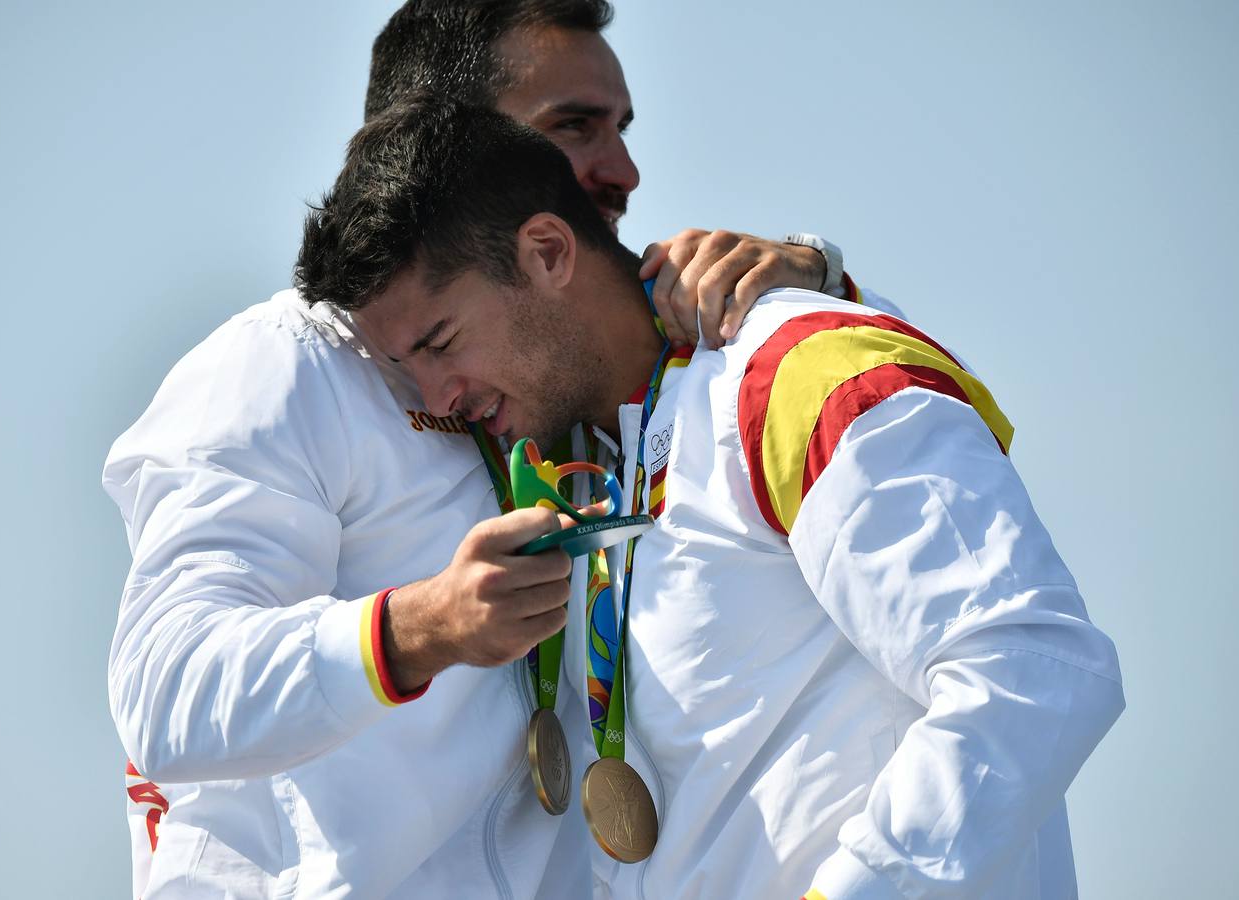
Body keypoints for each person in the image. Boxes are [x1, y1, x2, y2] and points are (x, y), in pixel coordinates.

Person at [105, 1, 891, 897]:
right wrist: (421, 627)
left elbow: (897, 434)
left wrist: (815, 276)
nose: (625, 170)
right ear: (438, 143)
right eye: (574, 127)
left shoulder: (566, 351)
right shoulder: (280, 366)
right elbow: (166, 691)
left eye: (621, 128)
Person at [297, 95, 1126, 899]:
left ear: (548, 252)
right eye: (412, 368)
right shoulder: (582, 454)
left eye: (441, 342)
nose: (437, 397)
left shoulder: (798, 368)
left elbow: (1033, 667)